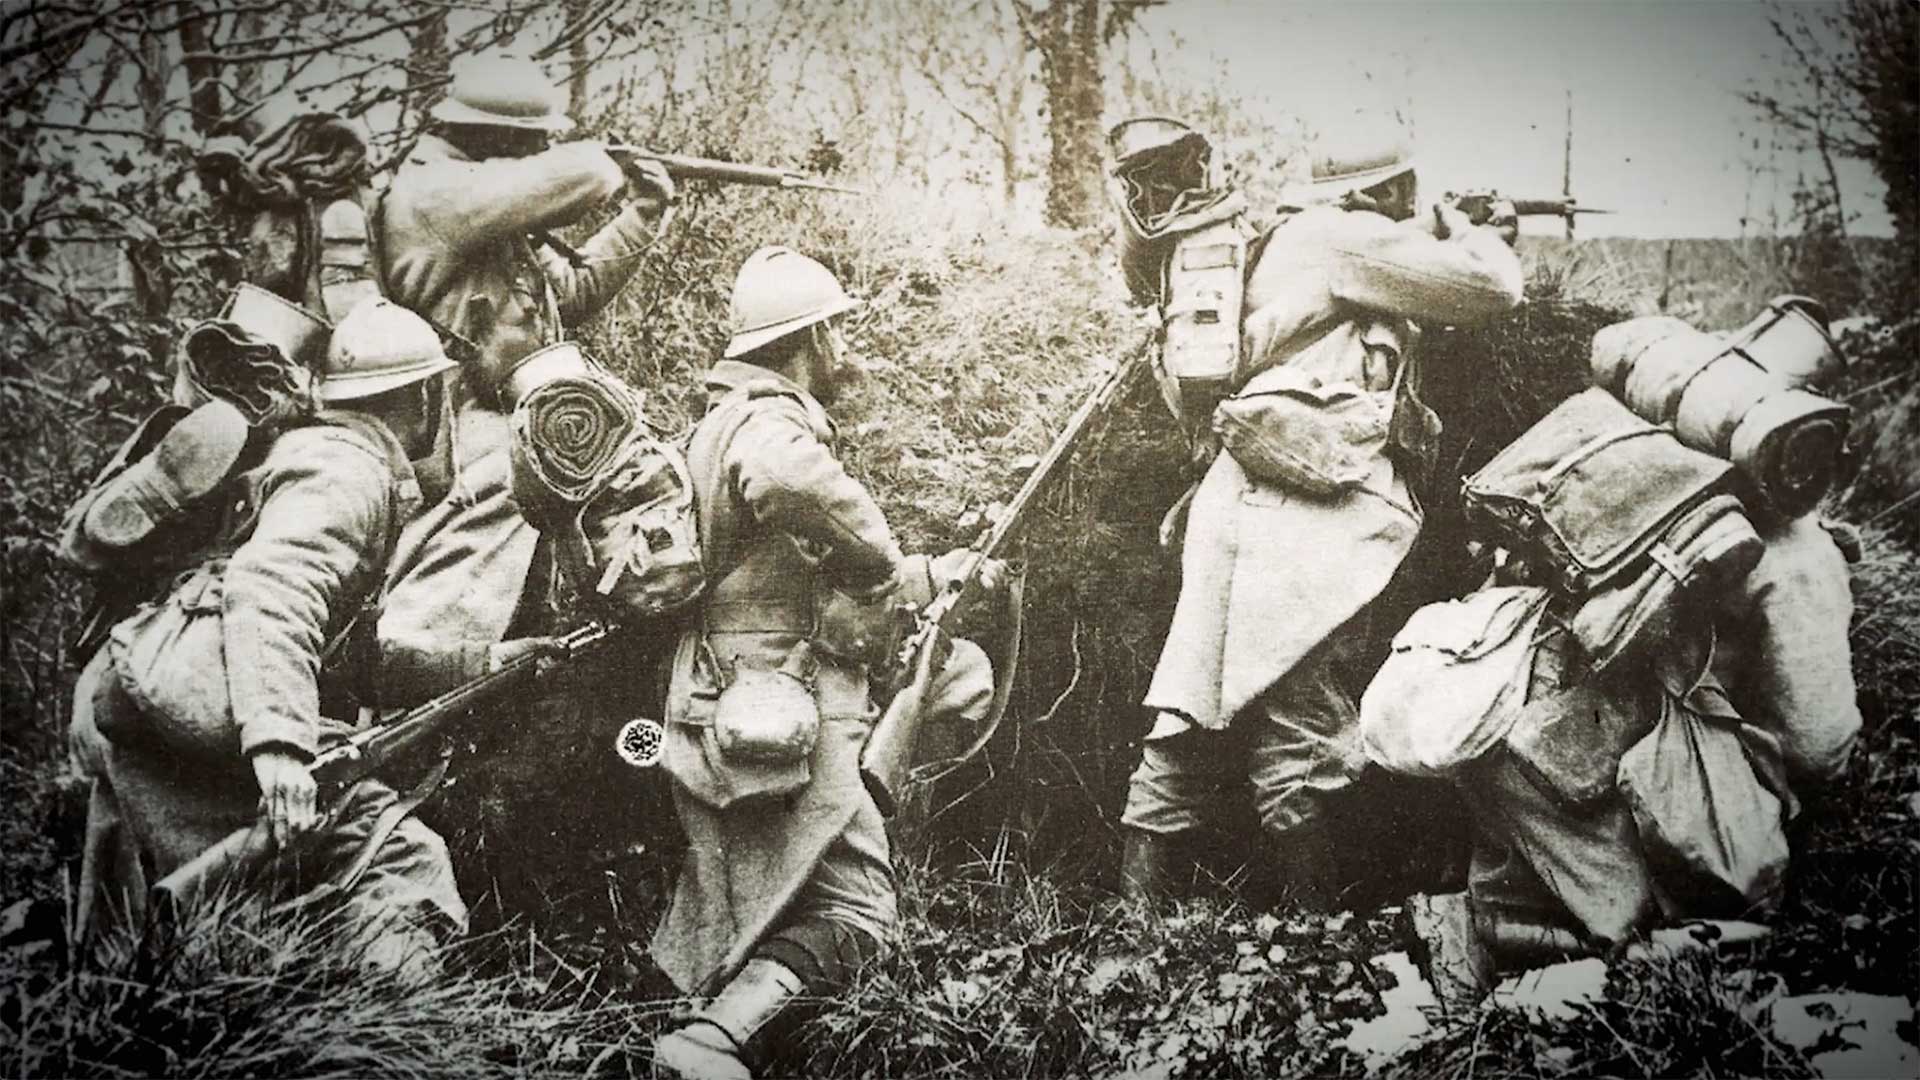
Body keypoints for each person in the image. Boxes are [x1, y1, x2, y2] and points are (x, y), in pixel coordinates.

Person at [1118, 113, 1527, 909]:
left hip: (1241, 497)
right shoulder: (1345, 237)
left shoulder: (1284, 241)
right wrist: (1475, 232)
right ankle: (1320, 935)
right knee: (1304, 725)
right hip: (1310, 513)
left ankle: (1134, 918)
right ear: (1381, 191)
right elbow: (1492, 290)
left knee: (1187, 711)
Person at [648, 247, 1001, 1080]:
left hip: (734, 693)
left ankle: (675, 1037)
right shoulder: (769, 417)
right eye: (836, 328)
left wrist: (917, 578)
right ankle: (710, 1044)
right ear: (812, 338)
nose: (845, 345)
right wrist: (884, 565)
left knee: (738, 908)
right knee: (859, 909)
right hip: (771, 701)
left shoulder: (720, 418)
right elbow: (785, 482)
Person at [68, 299, 469, 974]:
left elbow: (350, 653)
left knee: (150, 927)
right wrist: (281, 747)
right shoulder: (349, 472)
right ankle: (398, 1037)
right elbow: (273, 586)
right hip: (200, 705)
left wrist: (481, 662)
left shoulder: (316, 452)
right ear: (425, 394)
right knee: (400, 858)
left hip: (157, 682)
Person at [372, 48, 676, 706]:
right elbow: (586, 174)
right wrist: (606, 162)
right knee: (508, 486)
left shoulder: (482, 200)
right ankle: (419, 668)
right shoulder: (436, 192)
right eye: (531, 143)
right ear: (498, 138)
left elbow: (563, 296)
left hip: (510, 409)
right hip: (445, 421)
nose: (540, 152)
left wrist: (643, 212)